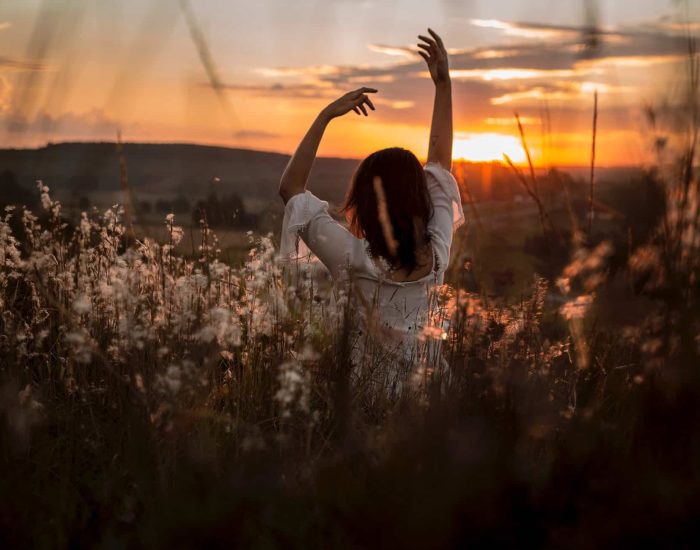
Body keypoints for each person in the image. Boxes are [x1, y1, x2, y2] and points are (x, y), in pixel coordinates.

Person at [278, 29, 464, 392]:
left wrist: (326, 115)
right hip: (432, 406)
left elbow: (291, 190)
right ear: (419, 199)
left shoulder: (351, 258)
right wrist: (443, 86)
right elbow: (440, 164)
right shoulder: (438, 252)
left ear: (364, 203)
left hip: (367, 412)